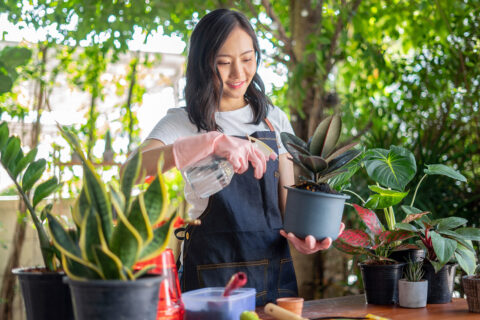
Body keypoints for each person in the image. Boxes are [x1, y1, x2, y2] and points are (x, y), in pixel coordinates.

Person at [130, 8, 344, 306]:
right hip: (210, 277)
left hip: (274, 274)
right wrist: (211, 141)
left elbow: (287, 206)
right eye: (223, 62)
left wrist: (306, 236)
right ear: (204, 64)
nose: (239, 73)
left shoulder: (273, 120)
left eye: (247, 59)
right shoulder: (184, 121)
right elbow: (133, 169)